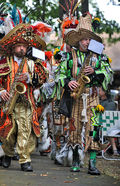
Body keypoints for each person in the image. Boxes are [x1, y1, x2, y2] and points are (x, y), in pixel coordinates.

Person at [0, 23, 49, 172]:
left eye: (24, 46)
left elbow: (43, 78)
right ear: (13, 47)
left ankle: (25, 160)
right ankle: (7, 154)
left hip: (26, 102)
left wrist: (30, 78)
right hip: (9, 102)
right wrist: (1, 91)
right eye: (19, 46)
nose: (22, 48)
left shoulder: (32, 63)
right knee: (9, 133)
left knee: (25, 130)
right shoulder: (5, 62)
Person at [58, 13, 113, 174]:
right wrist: (68, 81)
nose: (86, 42)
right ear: (78, 41)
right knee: (74, 129)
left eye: (89, 39)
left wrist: (95, 72)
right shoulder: (68, 56)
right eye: (83, 39)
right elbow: (59, 75)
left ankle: (93, 163)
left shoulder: (99, 57)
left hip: (93, 97)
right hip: (75, 97)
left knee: (93, 128)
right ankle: (76, 160)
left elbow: (108, 74)